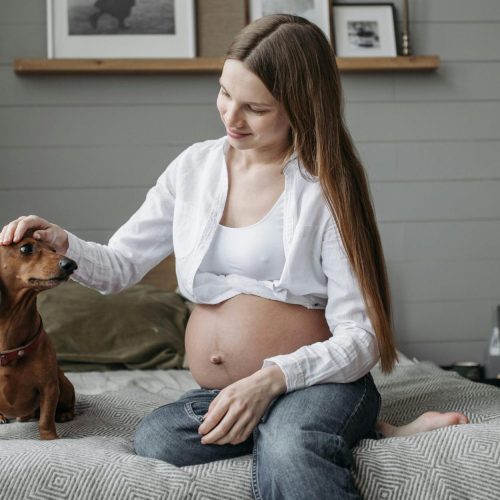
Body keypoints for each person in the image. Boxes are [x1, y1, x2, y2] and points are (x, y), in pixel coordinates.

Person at [0, 14, 468, 500]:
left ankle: (328, 420)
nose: (231, 118)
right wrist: (62, 241)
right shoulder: (194, 168)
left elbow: (362, 337)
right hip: (225, 389)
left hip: (316, 381)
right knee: (158, 437)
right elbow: (120, 265)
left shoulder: (325, 190)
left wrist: (270, 381)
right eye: (225, 93)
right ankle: (364, 429)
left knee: (289, 446)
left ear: (300, 107)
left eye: (256, 108)